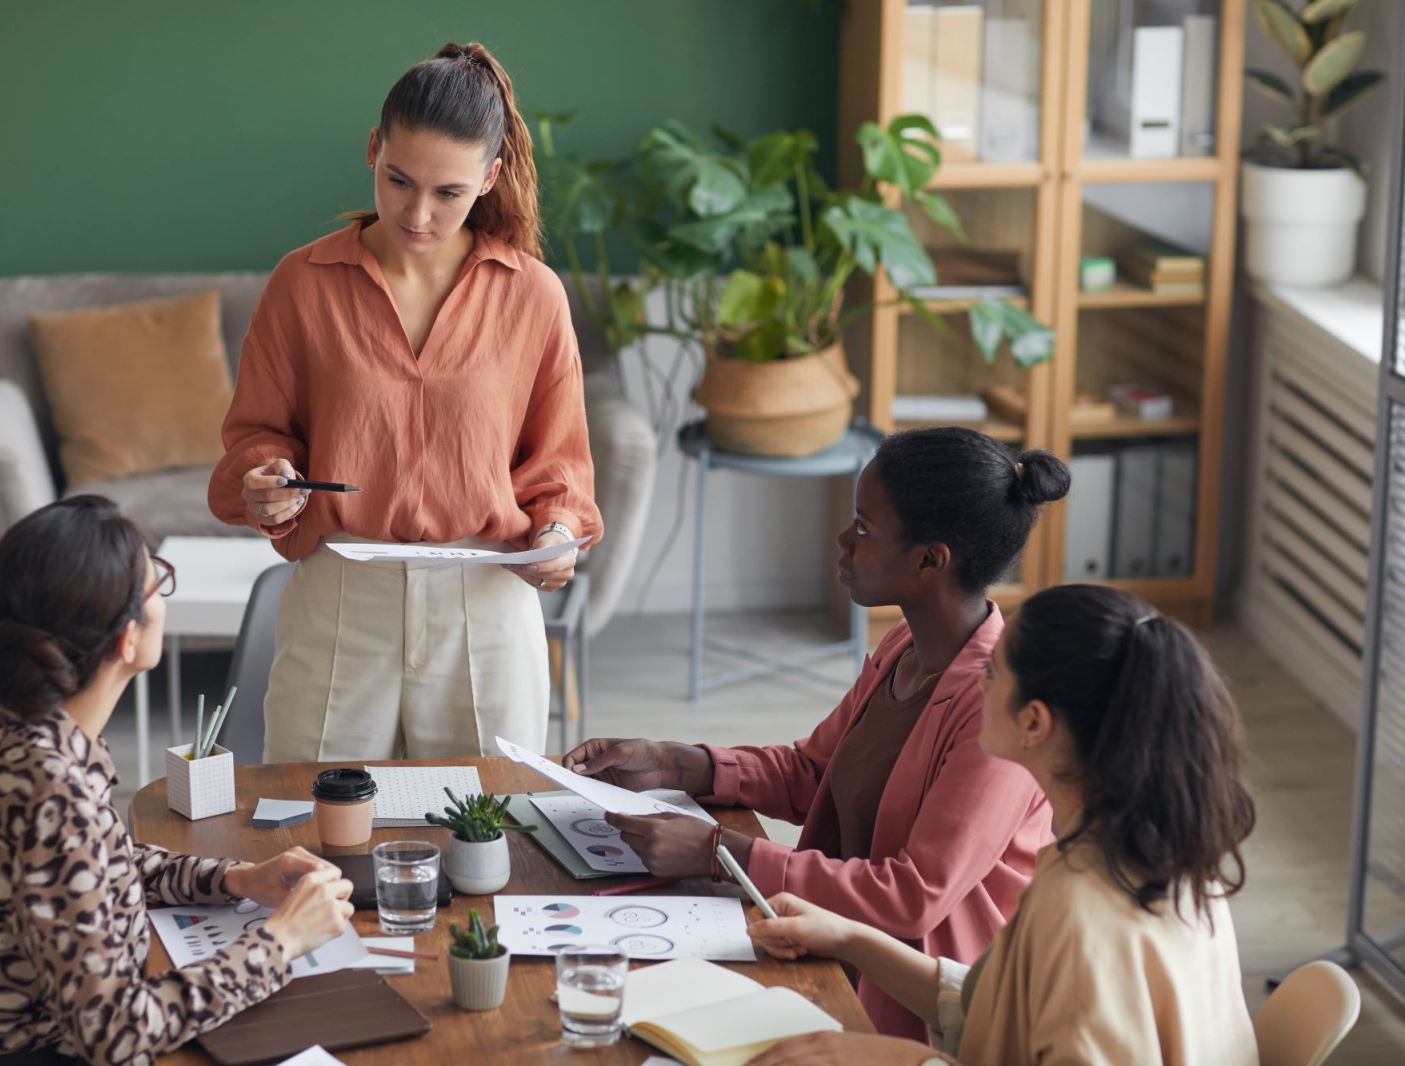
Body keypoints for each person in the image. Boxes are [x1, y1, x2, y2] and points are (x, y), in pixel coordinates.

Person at [564, 427, 1069, 1040]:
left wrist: (716, 851)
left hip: (924, 1007)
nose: (843, 539)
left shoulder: (998, 709)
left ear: (930, 559)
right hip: (832, 945)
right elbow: (815, 772)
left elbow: (913, 897)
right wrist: (674, 763)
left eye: (864, 526)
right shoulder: (905, 648)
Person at [207, 41, 600, 763]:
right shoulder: (302, 283)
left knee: (488, 835)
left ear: (490, 177)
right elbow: (257, 436)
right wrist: (265, 481)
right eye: (399, 181)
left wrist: (555, 538)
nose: (418, 214)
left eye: (449, 193)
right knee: (314, 836)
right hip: (339, 601)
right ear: (371, 151)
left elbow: (561, 473)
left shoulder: (534, 295)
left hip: (484, 603)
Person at [0, 497, 356, 1066]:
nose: (164, 597)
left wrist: (240, 879)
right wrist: (281, 942)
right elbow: (116, 1035)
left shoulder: (13, 728)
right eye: (159, 584)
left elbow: (100, 865)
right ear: (128, 638)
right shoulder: (55, 793)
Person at [746, 585, 1259, 1066]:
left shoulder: (1078, 910)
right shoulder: (1168, 856)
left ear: (1034, 722)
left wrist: (908, 1059)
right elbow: (996, 1005)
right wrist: (847, 938)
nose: (976, 679)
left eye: (992, 670)